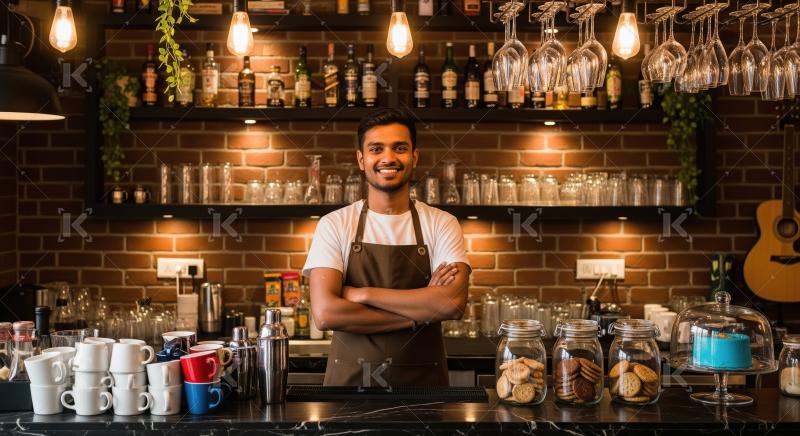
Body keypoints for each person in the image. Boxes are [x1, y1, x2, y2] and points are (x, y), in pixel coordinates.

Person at [302, 108, 471, 387]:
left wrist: (362, 293)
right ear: (361, 159)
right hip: (347, 391)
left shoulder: (442, 223)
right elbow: (326, 313)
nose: (388, 158)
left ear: (414, 157)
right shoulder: (335, 224)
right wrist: (420, 313)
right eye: (376, 149)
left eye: (400, 148)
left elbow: (451, 303)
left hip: (424, 391)